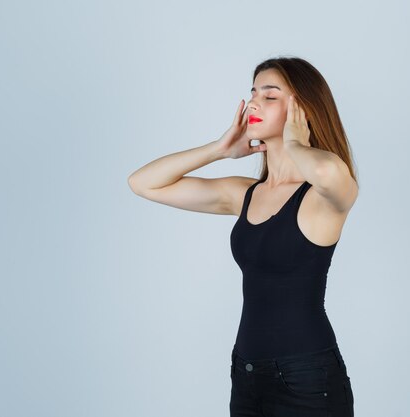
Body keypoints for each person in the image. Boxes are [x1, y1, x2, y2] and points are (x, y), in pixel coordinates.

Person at [128, 56, 359, 417]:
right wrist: (218, 150)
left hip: (306, 380)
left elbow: (331, 172)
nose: (253, 102)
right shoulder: (245, 193)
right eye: (253, 92)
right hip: (247, 375)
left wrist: (296, 144)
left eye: (269, 96)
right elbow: (143, 183)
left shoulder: (321, 198)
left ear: (303, 109)